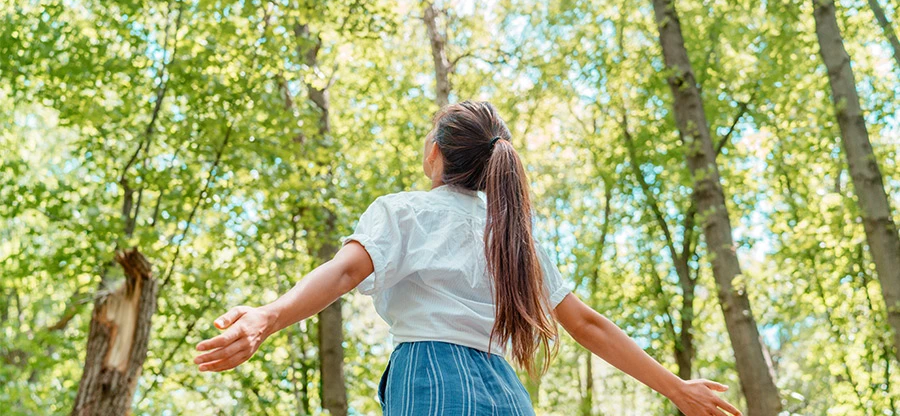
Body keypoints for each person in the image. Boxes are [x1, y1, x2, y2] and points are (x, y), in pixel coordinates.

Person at [194, 101, 742, 416]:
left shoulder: (404, 211)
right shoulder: (516, 235)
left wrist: (268, 315)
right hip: (506, 391)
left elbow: (342, 273)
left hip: (430, 375)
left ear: (435, 151)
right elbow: (588, 324)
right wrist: (678, 389)